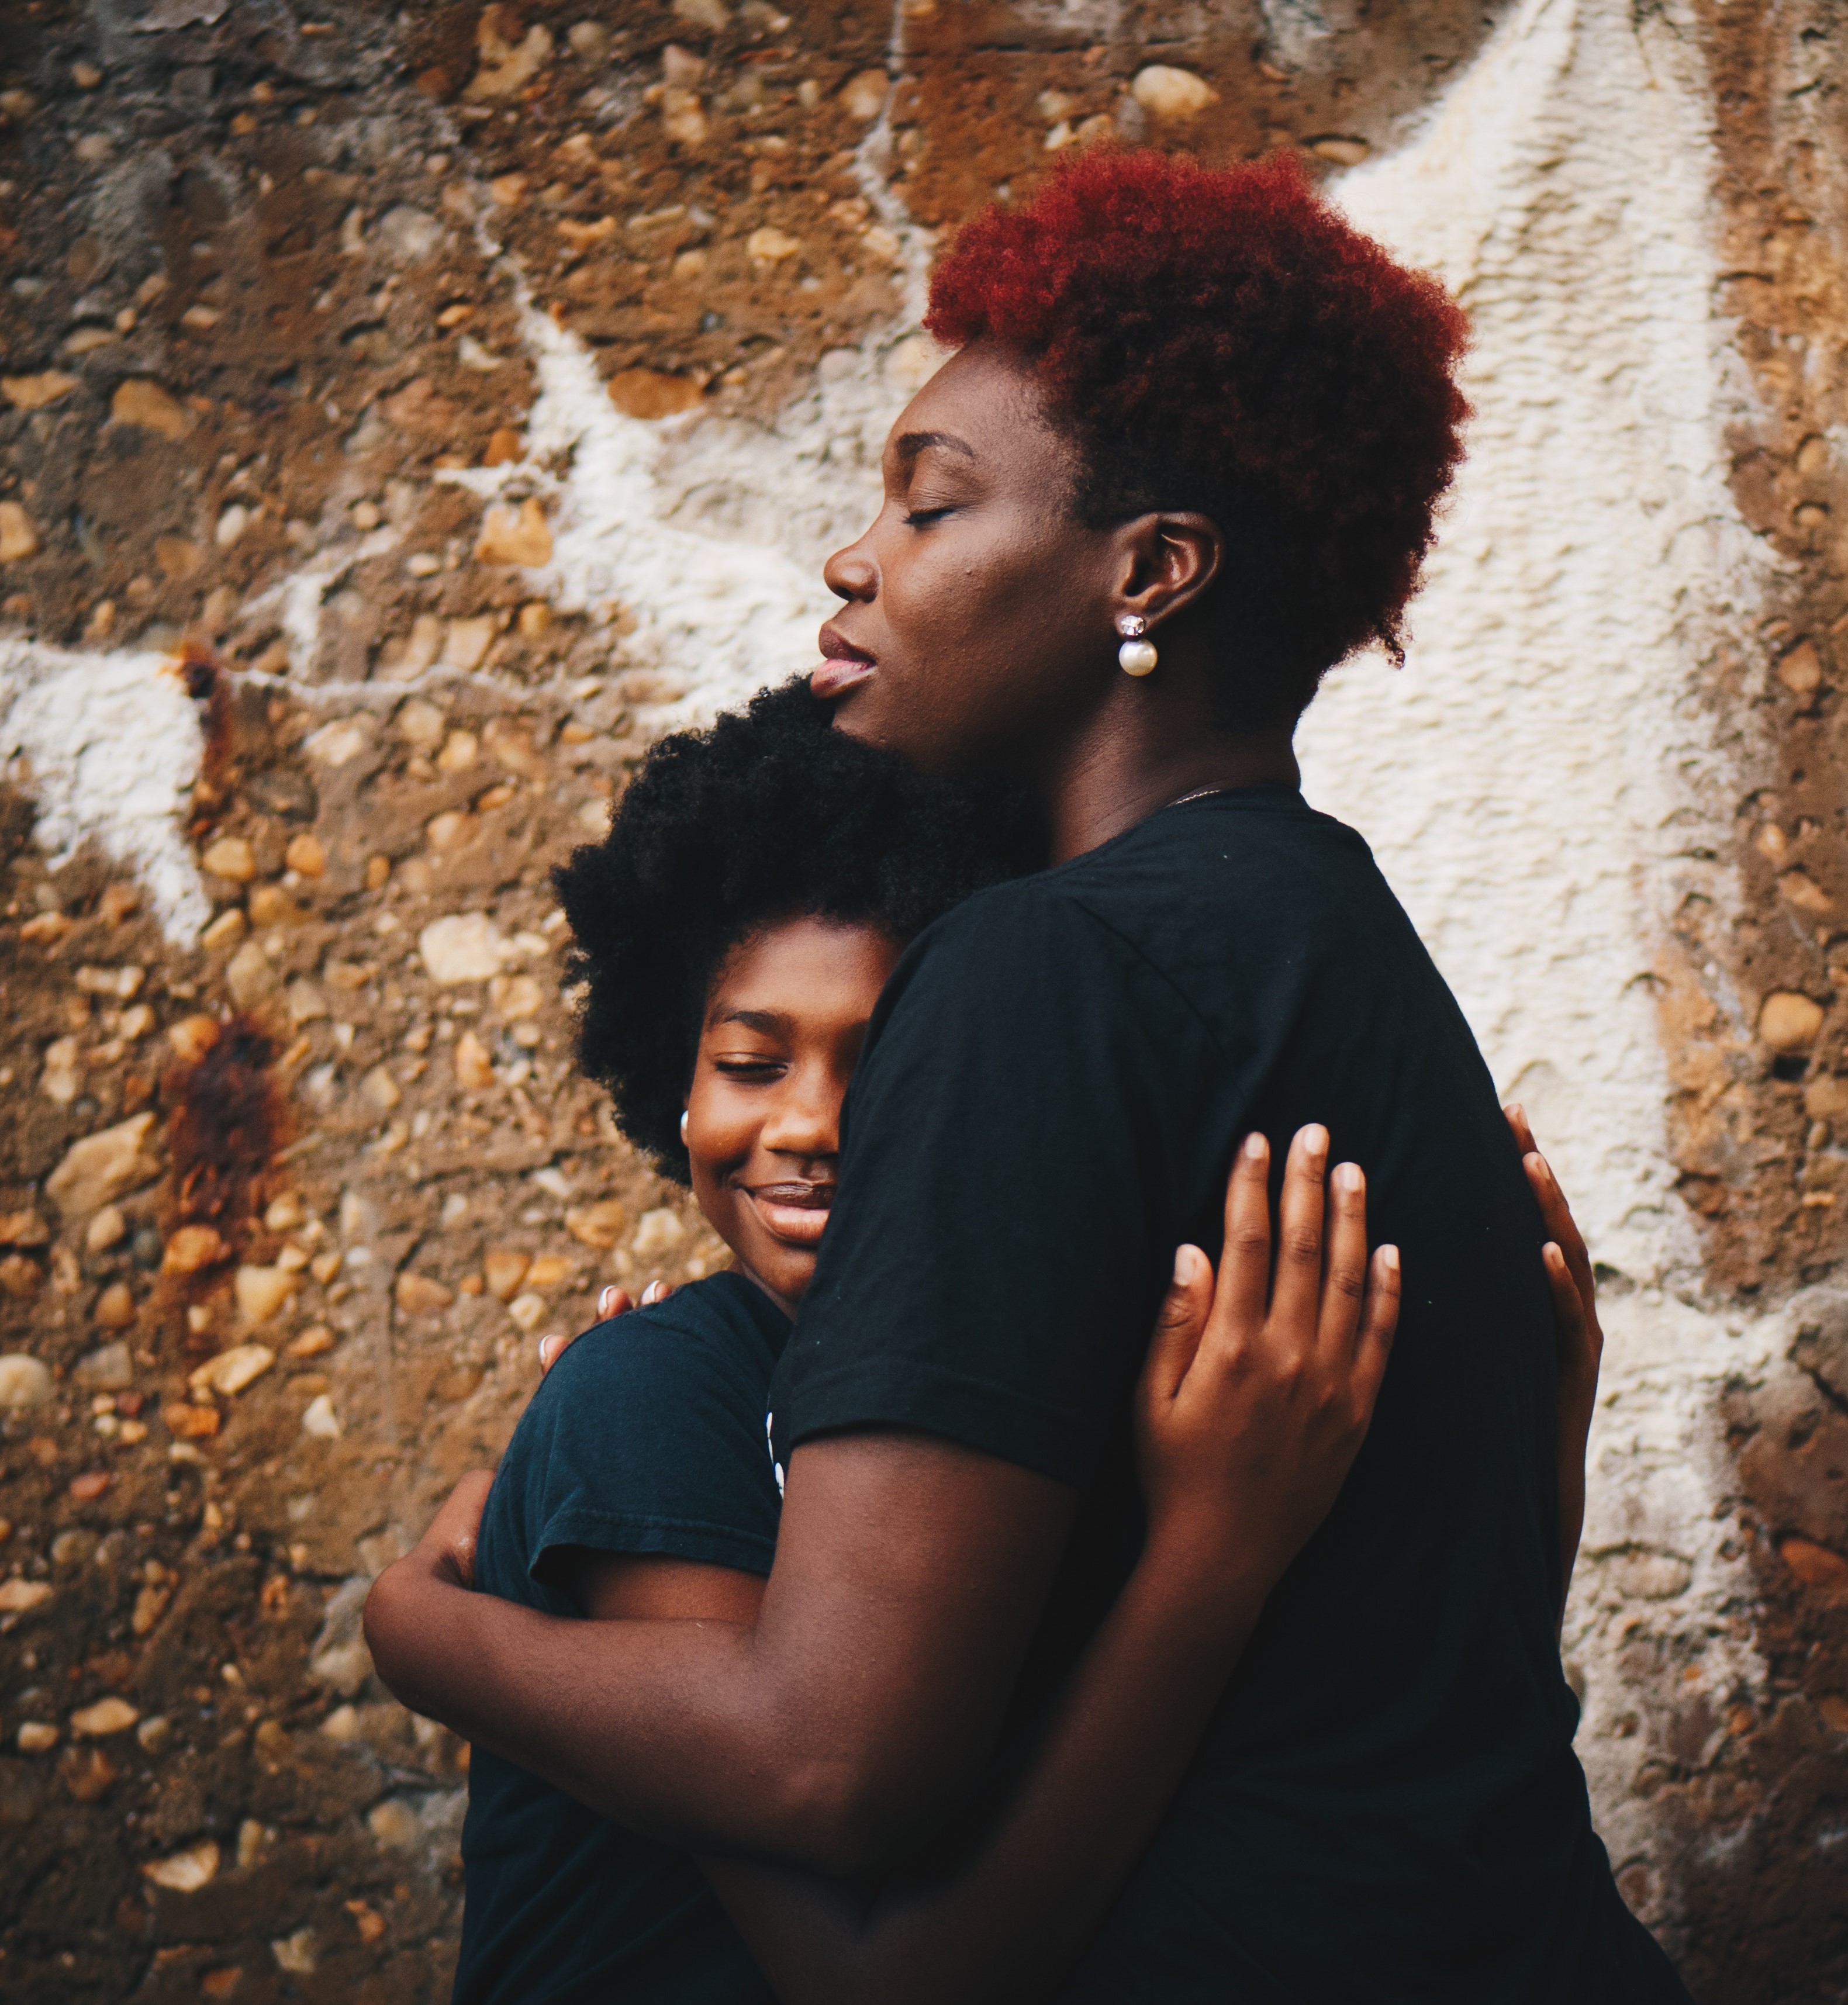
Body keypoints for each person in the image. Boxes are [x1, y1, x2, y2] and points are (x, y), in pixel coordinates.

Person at [369, 150, 1690, 1997]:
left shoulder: (1037, 970)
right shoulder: (1355, 955)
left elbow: (831, 1762)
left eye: (927, 506)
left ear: (1148, 571)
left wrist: (423, 1625)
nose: (856, 558)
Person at [454, 681, 1404, 2002]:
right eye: (751, 1061)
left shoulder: (1011, 1398)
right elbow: (886, 1978)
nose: (812, 1122)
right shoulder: (657, 1395)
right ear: (671, 1086)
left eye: (887, 1059)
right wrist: (1211, 1553)